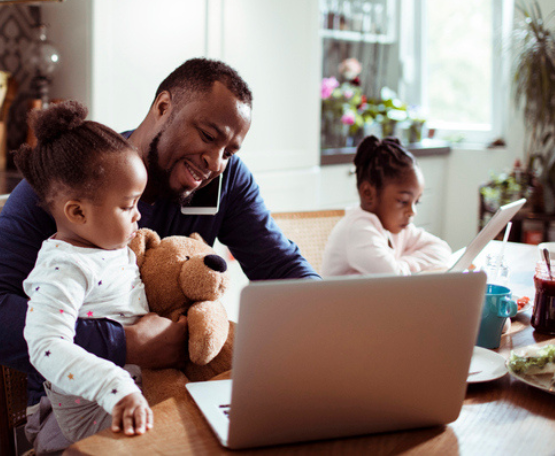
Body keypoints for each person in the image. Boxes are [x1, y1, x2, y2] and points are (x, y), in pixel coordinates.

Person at [0, 58, 319, 454]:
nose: (216, 163)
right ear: (163, 107)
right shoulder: (67, 187)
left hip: (177, 386)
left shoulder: (227, 181)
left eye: (230, 151)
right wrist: (123, 343)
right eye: (207, 135)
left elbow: (281, 267)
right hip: (81, 406)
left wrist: (331, 322)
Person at [15, 100, 154, 444]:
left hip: (137, 392)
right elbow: (46, 345)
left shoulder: (107, 247)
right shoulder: (64, 267)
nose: (138, 215)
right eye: (127, 206)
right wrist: (115, 386)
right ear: (77, 212)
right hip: (93, 413)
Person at [321, 135, 451, 277]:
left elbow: (442, 250)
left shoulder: (397, 228)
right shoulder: (358, 229)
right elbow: (394, 277)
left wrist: (404, 264)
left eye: (416, 202)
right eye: (403, 201)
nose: (412, 212)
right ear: (368, 193)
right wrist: (404, 266)